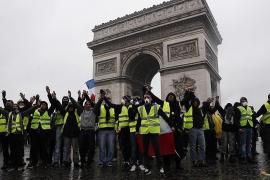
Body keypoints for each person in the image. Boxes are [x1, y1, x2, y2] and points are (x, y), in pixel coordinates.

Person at [146, 86, 184, 173]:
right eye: (169, 96)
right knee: (167, 147)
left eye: (172, 96)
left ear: (174, 98)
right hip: (167, 129)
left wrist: (179, 127)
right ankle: (167, 164)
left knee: (178, 147)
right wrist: (149, 92)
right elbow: (155, 99)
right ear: (166, 98)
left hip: (176, 129)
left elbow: (180, 117)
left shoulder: (178, 105)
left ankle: (178, 164)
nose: (171, 97)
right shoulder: (163, 104)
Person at [138, 93, 169, 176]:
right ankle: (147, 168)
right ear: (143, 99)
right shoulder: (140, 108)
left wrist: (172, 124)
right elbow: (139, 120)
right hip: (145, 132)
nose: (146, 98)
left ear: (151, 99)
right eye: (144, 97)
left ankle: (161, 167)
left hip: (154, 131)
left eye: (148, 97)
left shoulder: (156, 107)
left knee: (157, 150)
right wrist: (137, 131)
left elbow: (165, 116)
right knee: (145, 151)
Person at [27, 94, 55, 168]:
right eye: (42, 104)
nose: (43, 106)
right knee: (34, 149)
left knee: (44, 149)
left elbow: (54, 104)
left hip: (44, 133)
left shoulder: (48, 112)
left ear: (46, 106)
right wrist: (36, 100)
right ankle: (34, 163)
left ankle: (44, 163)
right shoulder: (34, 111)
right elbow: (28, 109)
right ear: (39, 105)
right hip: (34, 132)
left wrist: (51, 96)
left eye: (45, 105)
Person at [181, 89, 206, 167]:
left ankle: (201, 160)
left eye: (196, 102)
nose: (195, 103)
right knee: (193, 146)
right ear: (192, 102)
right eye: (194, 101)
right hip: (193, 129)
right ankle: (194, 161)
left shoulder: (200, 109)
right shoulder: (189, 108)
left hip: (200, 129)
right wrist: (189, 93)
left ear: (198, 103)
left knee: (202, 146)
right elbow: (185, 101)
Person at [56, 91, 81, 168]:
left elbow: (77, 104)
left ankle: (76, 162)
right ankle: (67, 161)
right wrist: (55, 98)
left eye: (72, 107)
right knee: (66, 149)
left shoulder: (77, 112)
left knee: (75, 149)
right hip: (66, 134)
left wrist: (71, 97)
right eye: (69, 107)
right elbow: (59, 105)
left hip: (75, 134)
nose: (70, 108)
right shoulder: (65, 113)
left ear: (73, 107)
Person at [46, 86, 68, 167]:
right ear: (62, 101)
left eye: (66, 100)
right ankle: (56, 161)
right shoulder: (58, 106)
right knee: (58, 145)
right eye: (64, 100)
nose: (65, 101)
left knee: (65, 146)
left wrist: (55, 98)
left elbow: (61, 109)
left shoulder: (68, 107)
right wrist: (49, 94)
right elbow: (54, 103)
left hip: (66, 128)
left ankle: (64, 161)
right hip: (58, 127)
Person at [94, 90, 116, 167]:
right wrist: (101, 99)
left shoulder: (113, 108)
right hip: (102, 130)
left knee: (111, 147)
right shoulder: (100, 107)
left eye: (109, 99)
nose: (108, 101)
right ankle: (102, 160)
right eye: (107, 99)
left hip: (111, 130)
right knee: (102, 146)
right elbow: (95, 110)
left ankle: (109, 161)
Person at [78, 91, 96, 167]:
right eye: (87, 104)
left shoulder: (94, 111)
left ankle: (88, 163)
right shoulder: (81, 111)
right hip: (83, 131)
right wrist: (70, 97)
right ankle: (82, 161)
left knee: (91, 148)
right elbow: (78, 104)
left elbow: (95, 105)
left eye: (89, 104)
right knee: (82, 147)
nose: (88, 105)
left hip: (91, 131)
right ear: (84, 105)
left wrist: (86, 96)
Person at [235, 97, 255, 163]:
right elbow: (236, 119)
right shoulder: (238, 108)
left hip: (249, 127)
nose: (244, 101)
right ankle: (243, 157)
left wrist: (255, 124)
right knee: (243, 143)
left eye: (245, 100)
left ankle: (248, 156)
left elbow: (252, 117)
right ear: (240, 102)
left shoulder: (249, 108)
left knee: (249, 143)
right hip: (243, 128)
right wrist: (239, 128)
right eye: (243, 100)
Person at [128, 97, 145, 172]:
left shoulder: (141, 108)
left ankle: (140, 163)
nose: (136, 102)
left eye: (137, 101)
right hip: (132, 131)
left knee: (140, 148)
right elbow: (131, 116)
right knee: (134, 148)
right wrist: (135, 107)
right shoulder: (130, 108)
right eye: (135, 101)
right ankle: (134, 164)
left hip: (140, 131)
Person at [201, 98, 218, 165]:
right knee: (209, 144)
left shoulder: (209, 111)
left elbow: (214, 110)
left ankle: (213, 157)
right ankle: (208, 158)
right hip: (206, 129)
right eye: (208, 105)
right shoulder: (203, 109)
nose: (209, 107)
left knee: (213, 144)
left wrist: (216, 101)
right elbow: (205, 107)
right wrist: (208, 102)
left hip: (212, 129)